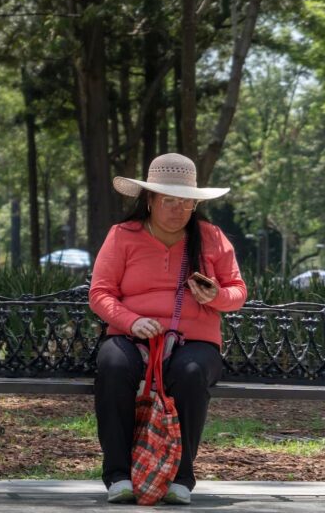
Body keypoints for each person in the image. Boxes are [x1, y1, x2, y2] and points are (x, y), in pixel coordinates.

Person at [89, 153, 247, 505]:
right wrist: (131, 320)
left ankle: (181, 478)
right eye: (169, 201)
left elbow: (238, 292)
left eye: (187, 202)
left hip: (195, 340)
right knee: (113, 367)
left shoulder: (211, 237)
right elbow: (100, 293)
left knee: (189, 373)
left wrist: (216, 296)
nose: (179, 210)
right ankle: (118, 475)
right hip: (131, 335)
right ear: (149, 201)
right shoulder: (123, 235)